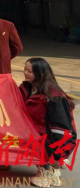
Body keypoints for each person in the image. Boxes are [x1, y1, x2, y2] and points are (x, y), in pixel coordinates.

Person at [20, 58, 77, 187]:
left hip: (56, 138)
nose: (25, 73)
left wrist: (55, 156)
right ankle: (52, 166)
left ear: (40, 74)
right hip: (38, 133)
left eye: (30, 71)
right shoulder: (27, 88)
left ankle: (49, 169)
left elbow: (61, 130)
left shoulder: (54, 97)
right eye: (25, 69)